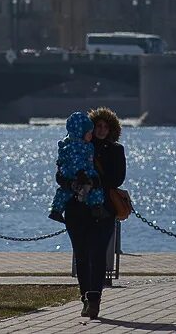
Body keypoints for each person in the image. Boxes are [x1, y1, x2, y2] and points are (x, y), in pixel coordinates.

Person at [57, 106, 126, 320]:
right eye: (98, 126)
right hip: (76, 208)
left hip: (102, 209)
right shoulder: (74, 146)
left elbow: (117, 179)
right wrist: (73, 182)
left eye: (106, 126)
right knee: (82, 255)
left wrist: (94, 181)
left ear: (112, 128)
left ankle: (94, 299)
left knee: (97, 254)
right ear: (91, 127)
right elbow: (60, 175)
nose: (102, 130)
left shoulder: (115, 150)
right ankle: (85, 297)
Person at [48, 111, 104, 224]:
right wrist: (80, 173)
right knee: (92, 187)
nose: (91, 135)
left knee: (65, 192)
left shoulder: (78, 144)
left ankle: (56, 210)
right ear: (81, 132)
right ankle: (95, 206)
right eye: (89, 132)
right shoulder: (75, 146)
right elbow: (75, 162)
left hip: (77, 172)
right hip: (77, 172)